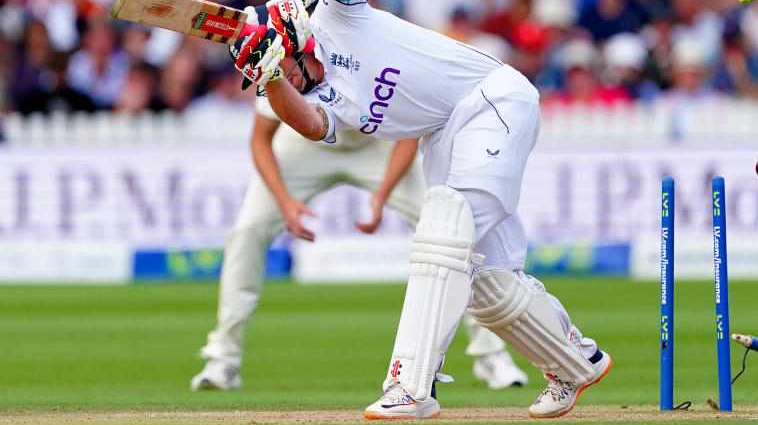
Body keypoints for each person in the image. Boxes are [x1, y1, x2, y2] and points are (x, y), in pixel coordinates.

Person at [232, 0, 611, 419]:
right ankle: (576, 361)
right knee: (483, 279)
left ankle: (410, 384)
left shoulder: (336, 15)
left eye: (286, 69)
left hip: (490, 100)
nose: (291, 84)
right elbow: (310, 126)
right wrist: (268, 77)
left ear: (299, 41)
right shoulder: (320, 94)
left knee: (442, 237)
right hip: (444, 135)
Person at [191, 81, 528, 392]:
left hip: (377, 144)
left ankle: (490, 354)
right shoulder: (284, 58)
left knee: (453, 230)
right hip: (302, 143)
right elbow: (260, 138)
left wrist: (382, 195)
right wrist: (285, 202)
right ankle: (224, 358)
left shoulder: (374, 50)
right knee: (247, 230)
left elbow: (409, 133)